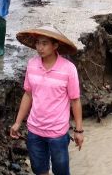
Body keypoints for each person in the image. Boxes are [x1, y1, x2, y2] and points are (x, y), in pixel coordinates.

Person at [11, 26, 83, 175]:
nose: (39, 47)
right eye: (38, 43)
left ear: (55, 45)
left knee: (61, 171)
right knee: (39, 170)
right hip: (34, 130)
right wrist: (18, 122)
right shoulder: (32, 64)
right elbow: (28, 95)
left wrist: (79, 130)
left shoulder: (68, 69)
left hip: (58, 132)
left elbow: (75, 100)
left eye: (44, 43)